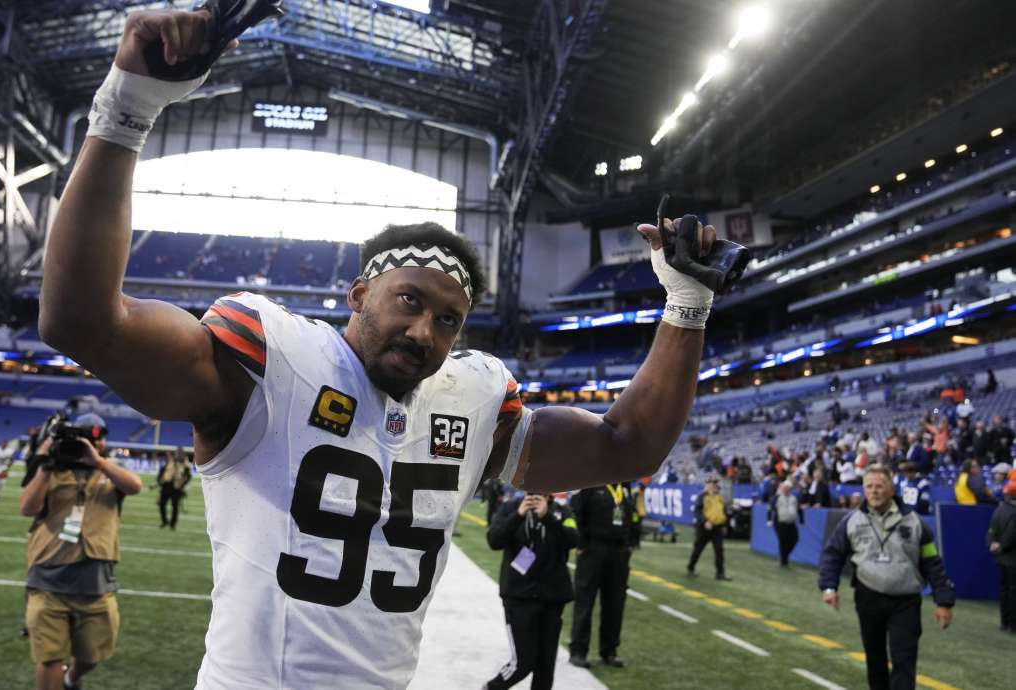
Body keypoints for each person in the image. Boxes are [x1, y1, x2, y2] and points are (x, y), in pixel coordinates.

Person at [37, 8, 742, 687]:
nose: (425, 331)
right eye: (411, 301)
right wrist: (126, 107)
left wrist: (687, 304)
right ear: (357, 295)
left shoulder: (472, 398)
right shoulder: (273, 358)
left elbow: (630, 447)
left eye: (449, 319)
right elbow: (83, 323)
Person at [19, 413, 143, 690]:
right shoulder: (51, 469)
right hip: (48, 576)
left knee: (91, 655)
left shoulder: (108, 470)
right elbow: (27, 508)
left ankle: (71, 678)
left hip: (96, 580)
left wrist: (96, 461)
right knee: (48, 657)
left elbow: (134, 486)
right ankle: (59, 676)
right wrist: (47, 465)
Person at [818, 466, 955, 690]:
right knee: (875, 660)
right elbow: (832, 554)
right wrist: (828, 587)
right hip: (868, 597)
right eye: (869, 486)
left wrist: (944, 600)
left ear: (892, 489)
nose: (874, 491)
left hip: (906, 602)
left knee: (904, 660)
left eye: (879, 486)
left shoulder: (915, 522)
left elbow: (933, 562)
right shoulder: (851, 521)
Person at [484, 492, 576, 689]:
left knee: (545, 667)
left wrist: (547, 517)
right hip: (519, 597)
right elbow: (494, 540)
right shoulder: (511, 507)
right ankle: (491, 687)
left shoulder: (562, 511)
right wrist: (518, 515)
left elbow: (574, 540)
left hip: (553, 597)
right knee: (522, 664)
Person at [567, 482, 637, 668]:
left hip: (619, 553)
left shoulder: (626, 487)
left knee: (615, 603)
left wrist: (631, 544)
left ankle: (610, 651)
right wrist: (581, 544)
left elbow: (634, 516)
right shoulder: (591, 482)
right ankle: (578, 651)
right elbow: (575, 511)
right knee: (584, 602)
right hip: (592, 549)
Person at [687, 476, 731, 580]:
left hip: (717, 528)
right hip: (704, 528)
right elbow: (697, 511)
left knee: (719, 550)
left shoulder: (719, 497)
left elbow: (723, 512)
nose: (715, 486)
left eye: (716, 484)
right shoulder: (702, 496)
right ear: (708, 485)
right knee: (698, 549)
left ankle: (720, 573)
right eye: (713, 484)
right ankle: (691, 567)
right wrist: (704, 522)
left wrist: (724, 525)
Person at [989, 481, 1016, 632]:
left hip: (1000, 558)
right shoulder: (1014, 512)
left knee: (1004, 590)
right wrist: (1002, 545)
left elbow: (991, 530)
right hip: (1012, 557)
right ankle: (1013, 624)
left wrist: (993, 544)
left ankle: (1004, 622)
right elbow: (1012, 535)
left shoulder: (999, 510)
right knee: (1013, 591)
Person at [767, 480, 804, 567]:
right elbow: (769, 509)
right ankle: (784, 561)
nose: (786, 489)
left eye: (788, 488)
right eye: (784, 488)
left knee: (794, 539)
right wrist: (769, 520)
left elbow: (799, 509)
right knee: (783, 541)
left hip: (791, 522)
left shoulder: (794, 498)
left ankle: (784, 557)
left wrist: (802, 520)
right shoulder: (776, 498)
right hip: (780, 522)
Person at [155, 449, 191, 530]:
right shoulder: (170, 462)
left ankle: (172, 524)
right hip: (167, 486)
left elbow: (187, 476)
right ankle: (165, 521)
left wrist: (182, 485)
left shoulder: (184, 465)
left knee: (175, 507)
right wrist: (160, 481)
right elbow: (163, 471)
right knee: (162, 505)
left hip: (176, 487)